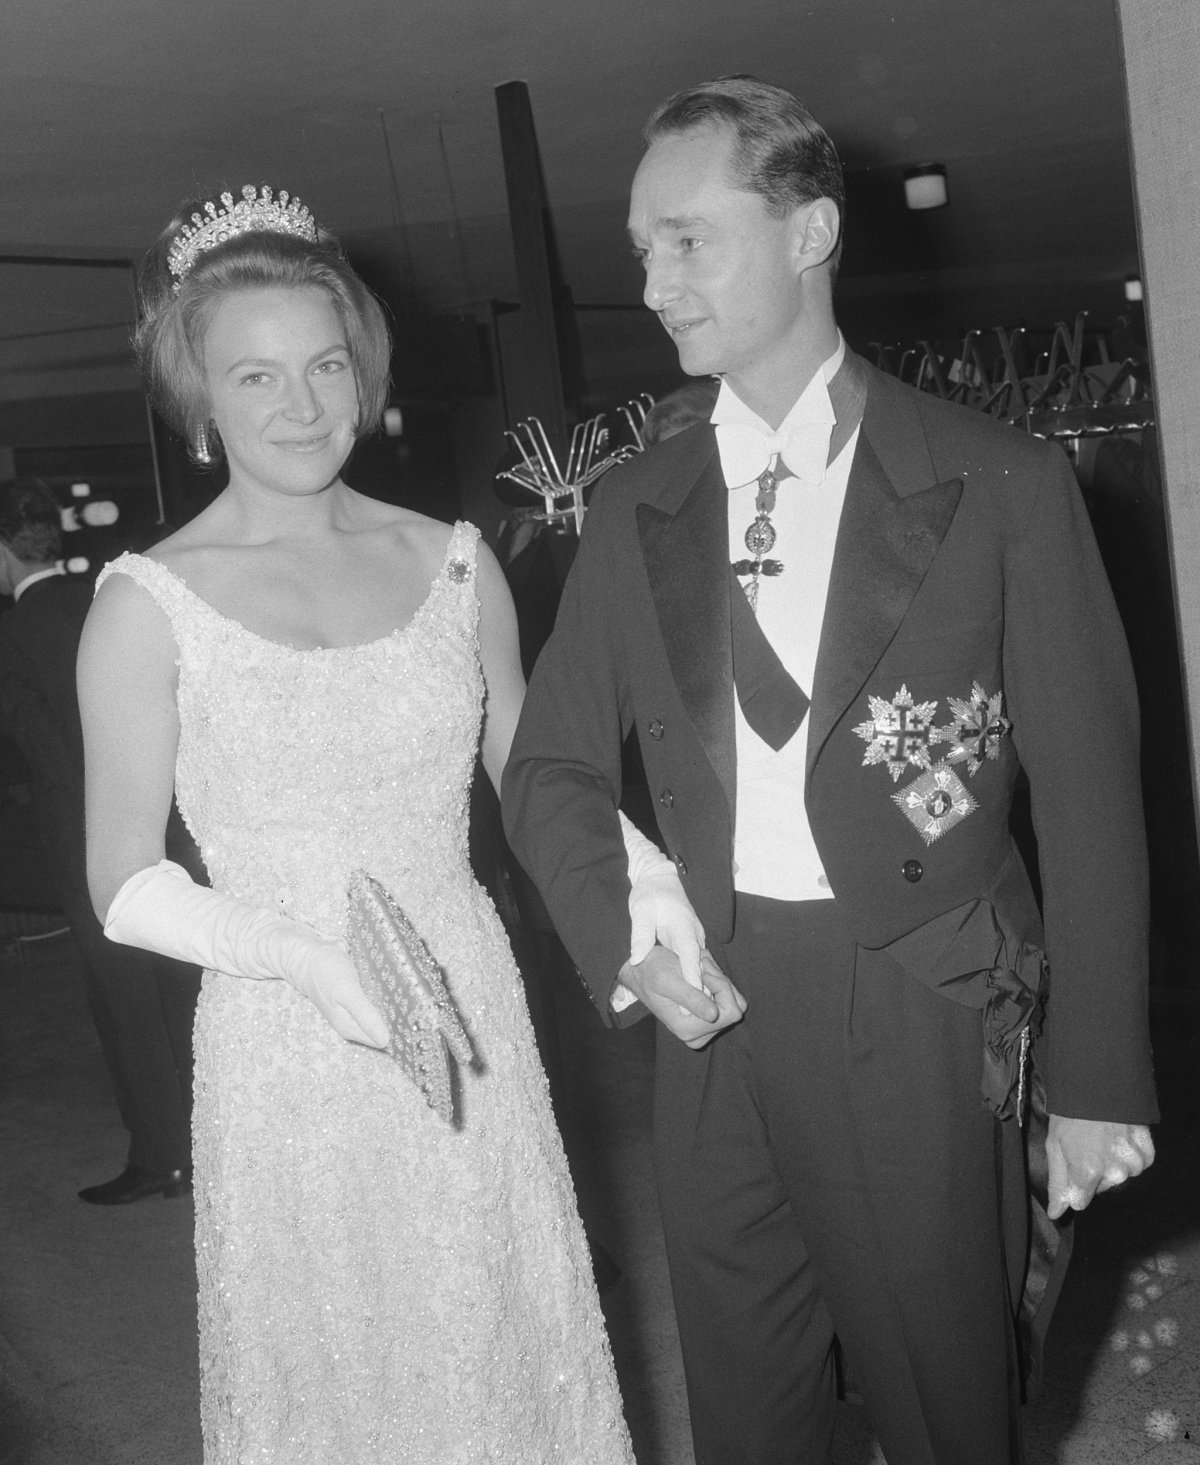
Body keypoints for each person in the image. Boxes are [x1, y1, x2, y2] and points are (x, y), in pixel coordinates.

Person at [502, 77, 1158, 1465]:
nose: (655, 281)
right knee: (748, 1414)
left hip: (919, 998)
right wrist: (628, 939)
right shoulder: (635, 507)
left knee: (942, 1400)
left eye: (689, 239)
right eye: (640, 250)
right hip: (716, 1016)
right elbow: (548, 763)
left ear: (808, 232)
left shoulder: (998, 483)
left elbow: (1095, 798)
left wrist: (1101, 1072)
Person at [76, 184, 685, 1463]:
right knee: (338, 1356)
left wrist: (650, 887)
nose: (300, 407)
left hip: (466, 998)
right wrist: (308, 961)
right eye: (256, 376)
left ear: (366, 371)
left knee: (494, 1333)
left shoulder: (457, 561)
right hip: (287, 1035)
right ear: (198, 397)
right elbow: (126, 885)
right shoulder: (145, 604)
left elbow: (538, 779)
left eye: (326, 366)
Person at [0, 478, 201, 1204]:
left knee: (122, 995)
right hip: (165, 822)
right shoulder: (103, 601)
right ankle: (204, 1137)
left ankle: (163, 1155)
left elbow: (44, 753)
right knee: (177, 985)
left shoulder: (15, 633)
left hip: (90, 836)